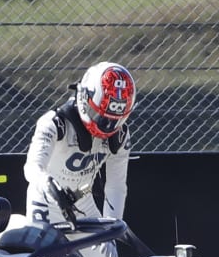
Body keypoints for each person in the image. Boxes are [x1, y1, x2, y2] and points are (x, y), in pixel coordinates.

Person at [24, 61, 136, 226]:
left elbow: (116, 186)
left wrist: (112, 226)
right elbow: (32, 168)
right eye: (100, 115)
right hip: (45, 203)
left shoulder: (120, 136)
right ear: (85, 97)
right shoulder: (54, 123)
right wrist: (50, 186)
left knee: (109, 250)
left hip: (83, 204)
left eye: (115, 119)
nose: (107, 126)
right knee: (45, 252)